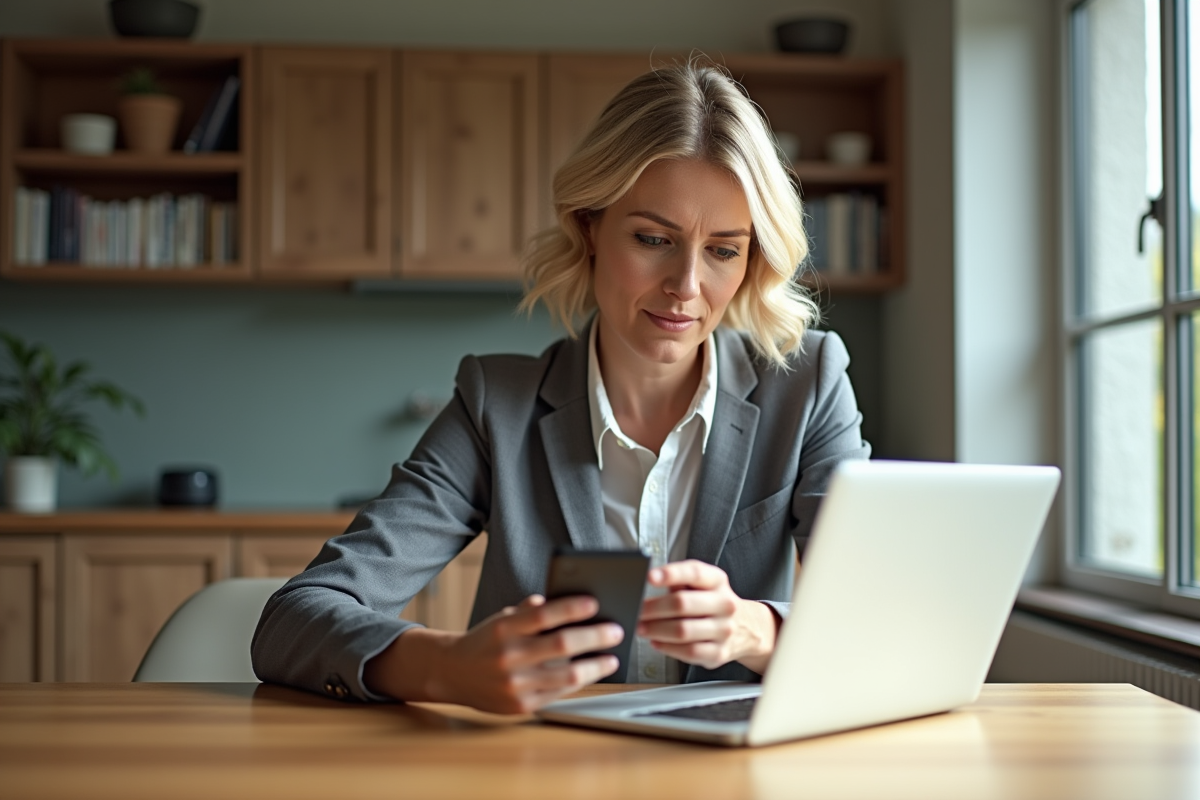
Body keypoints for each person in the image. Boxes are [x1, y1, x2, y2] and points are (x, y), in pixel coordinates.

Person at [251, 60, 870, 713]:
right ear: (589, 227)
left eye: (723, 250)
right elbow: (294, 621)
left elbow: (880, 625)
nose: (686, 286)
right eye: (654, 238)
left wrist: (758, 631)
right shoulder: (497, 406)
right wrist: (445, 666)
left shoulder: (808, 387)